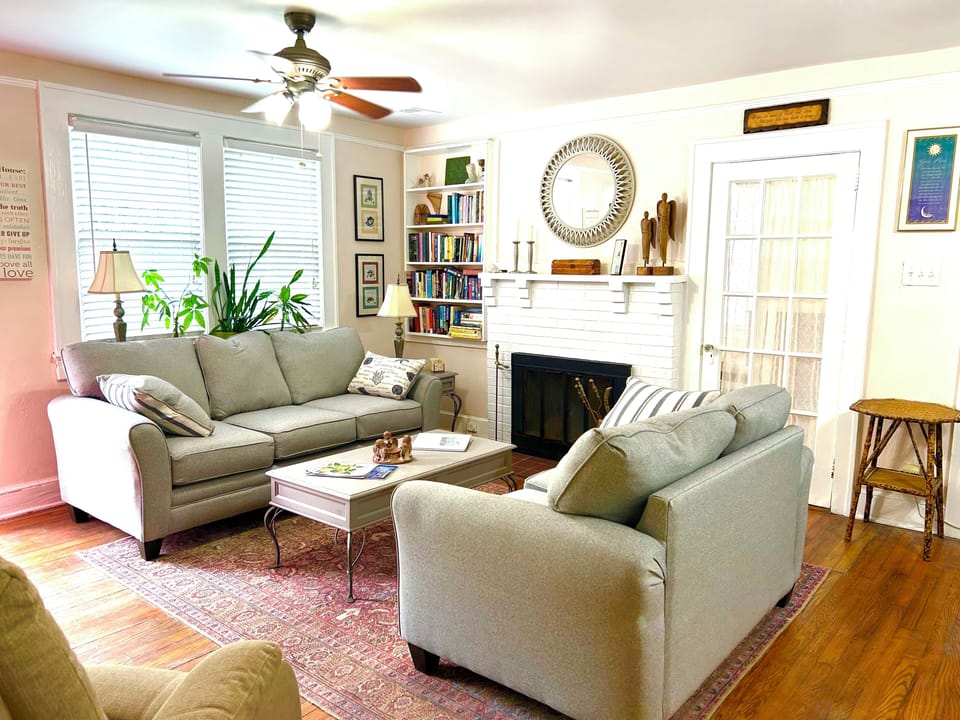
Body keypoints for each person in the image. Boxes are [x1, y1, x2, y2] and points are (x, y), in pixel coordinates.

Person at [656, 193, 676, 267]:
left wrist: (666, 219)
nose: (664, 197)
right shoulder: (660, 205)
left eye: (665, 196)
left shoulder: (668, 205)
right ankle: (662, 256)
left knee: (664, 239)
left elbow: (669, 214)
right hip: (661, 222)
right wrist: (660, 216)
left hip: (666, 222)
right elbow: (658, 214)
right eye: (663, 196)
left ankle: (664, 257)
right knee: (661, 239)